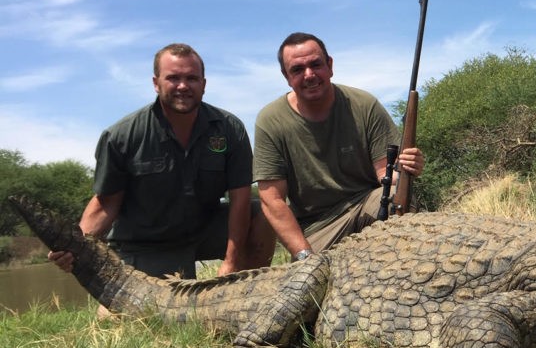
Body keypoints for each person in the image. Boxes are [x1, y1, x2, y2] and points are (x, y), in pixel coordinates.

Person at [49, 43, 275, 280]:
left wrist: (232, 262)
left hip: (204, 228)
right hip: (147, 243)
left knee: (260, 212)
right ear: (156, 84)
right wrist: (74, 246)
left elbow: (240, 199)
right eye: (173, 78)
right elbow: (106, 204)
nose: (183, 86)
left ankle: (248, 288)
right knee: (126, 317)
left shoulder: (230, 128)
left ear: (204, 85)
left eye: (191, 78)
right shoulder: (121, 136)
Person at [254, 32, 424, 261]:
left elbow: (386, 174)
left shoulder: (364, 105)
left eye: (316, 64)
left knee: (398, 197)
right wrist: (304, 256)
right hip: (318, 230)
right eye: (297, 69)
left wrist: (407, 169)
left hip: (367, 206)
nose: (309, 75)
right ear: (286, 76)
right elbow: (272, 199)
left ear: (330, 65)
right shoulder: (270, 120)